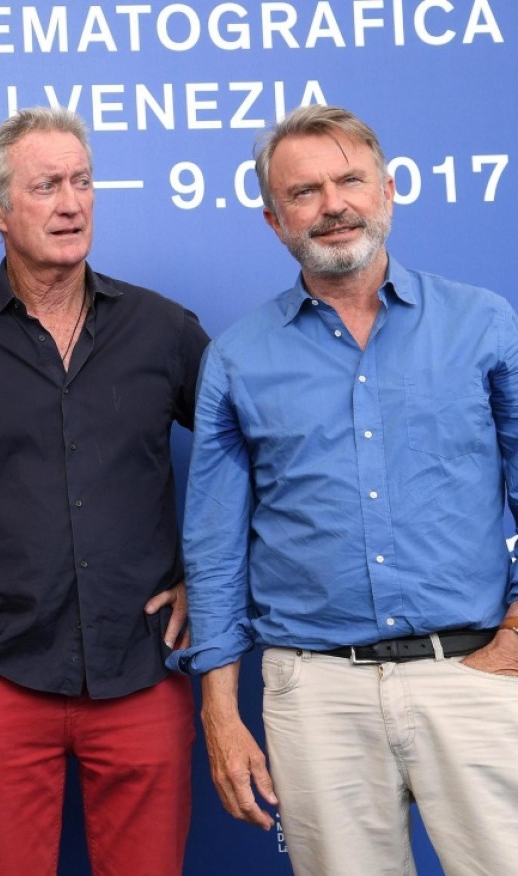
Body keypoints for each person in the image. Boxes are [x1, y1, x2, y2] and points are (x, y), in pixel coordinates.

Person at [175, 104, 518, 874]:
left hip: (469, 674)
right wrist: (221, 712)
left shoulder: (482, 324)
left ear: (388, 190)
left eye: (349, 180)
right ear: (272, 219)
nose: (332, 204)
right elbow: (215, 549)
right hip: (314, 692)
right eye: (303, 192)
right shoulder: (235, 360)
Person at [0, 107, 206, 876]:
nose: (71, 203)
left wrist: (207, 580)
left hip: (140, 675)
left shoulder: (162, 330)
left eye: (82, 182)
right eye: (46, 185)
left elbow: (245, 460)